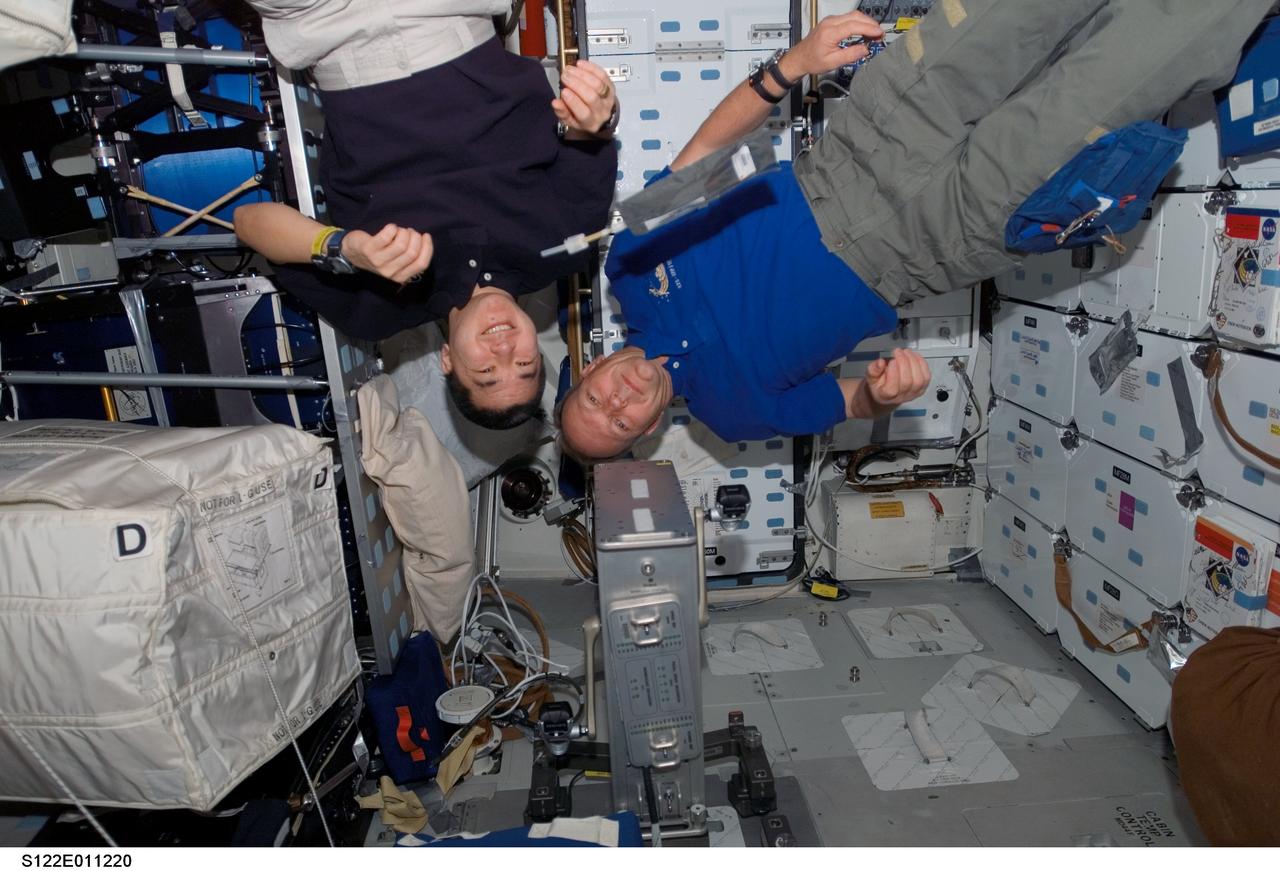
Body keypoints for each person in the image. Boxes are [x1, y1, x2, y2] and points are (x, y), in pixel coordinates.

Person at [560, 0, 1275, 458]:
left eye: (598, 398)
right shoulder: (734, 413)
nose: (621, 401)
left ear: (591, 369)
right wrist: (886, 393)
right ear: (648, 434)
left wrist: (791, 67)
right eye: (621, 423)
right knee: (1137, 68)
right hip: (943, 237)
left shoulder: (627, 262)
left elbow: (708, 153)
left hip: (864, 146)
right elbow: (852, 402)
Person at [234, 1, 619, 429]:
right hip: (449, 15)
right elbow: (591, 133)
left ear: (449, 360)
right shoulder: (565, 248)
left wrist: (345, 248)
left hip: (331, 30)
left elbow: (249, 222)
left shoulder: (377, 311)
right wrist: (597, 113)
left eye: (487, 373)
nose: (505, 352)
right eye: (526, 364)